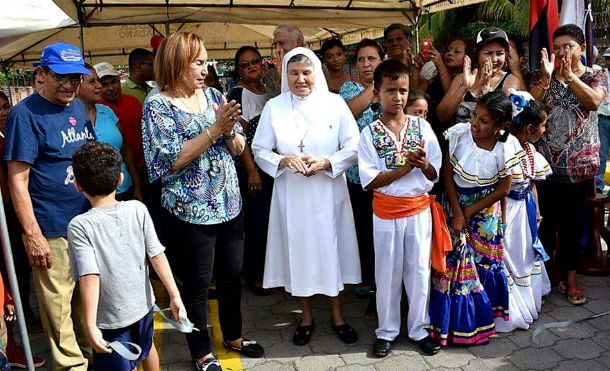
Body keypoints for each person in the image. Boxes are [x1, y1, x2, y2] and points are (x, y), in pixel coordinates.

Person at [141, 32, 263, 371]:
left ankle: (234, 336)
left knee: (231, 275)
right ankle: (201, 352)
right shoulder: (158, 105)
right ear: (177, 64)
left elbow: (238, 148)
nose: (205, 68)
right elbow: (168, 162)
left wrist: (227, 132)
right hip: (189, 211)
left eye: (205, 61)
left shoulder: (212, 94)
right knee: (196, 285)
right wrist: (213, 130)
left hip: (228, 204)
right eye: (197, 62)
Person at [252, 47, 361, 346]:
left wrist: (328, 162)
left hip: (328, 192)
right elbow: (259, 149)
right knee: (298, 252)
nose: (300, 79)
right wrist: (283, 161)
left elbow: (353, 146)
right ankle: (307, 316)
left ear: (316, 73)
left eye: (306, 73)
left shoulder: (335, 104)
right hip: (293, 193)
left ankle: (338, 315)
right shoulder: (274, 107)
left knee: (331, 250)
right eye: (294, 73)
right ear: (285, 75)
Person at [4, 41, 94, 370]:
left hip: (87, 224)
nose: (70, 85)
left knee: (88, 307)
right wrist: (32, 234)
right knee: (59, 317)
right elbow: (17, 180)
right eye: (62, 78)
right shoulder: (24, 115)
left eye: (76, 78)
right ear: (41, 74)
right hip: (52, 230)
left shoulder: (77, 108)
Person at [68, 142, 184, 371]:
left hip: (110, 320)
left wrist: (90, 324)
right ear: (121, 179)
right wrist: (175, 295)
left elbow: (89, 275)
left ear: (77, 186)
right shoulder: (137, 209)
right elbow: (157, 254)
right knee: (147, 347)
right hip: (144, 305)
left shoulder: (79, 226)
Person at [357, 59, 445, 357]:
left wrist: (424, 165)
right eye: (390, 90)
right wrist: (406, 169)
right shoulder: (369, 133)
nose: (398, 97)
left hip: (419, 211)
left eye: (404, 90)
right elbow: (370, 181)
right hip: (385, 213)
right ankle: (386, 331)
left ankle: (420, 330)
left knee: (419, 272)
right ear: (376, 94)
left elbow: (435, 174)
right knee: (387, 274)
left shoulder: (422, 128)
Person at [429, 91, 519, 346]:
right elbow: (447, 175)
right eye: (474, 116)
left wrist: (469, 212)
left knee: (482, 266)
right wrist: (458, 212)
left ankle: (481, 323)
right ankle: (450, 326)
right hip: (454, 205)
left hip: (485, 213)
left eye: (483, 121)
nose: (474, 124)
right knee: (453, 265)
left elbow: (503, 189)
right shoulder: (459, 134)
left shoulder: (507, 147)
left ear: (500, 126)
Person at [530, 24, 605, 305]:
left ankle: (571, 280)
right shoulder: (544, 76)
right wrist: (547, 80)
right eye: (558, 47)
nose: (562, 52)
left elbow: (595, 102)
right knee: (545, 224)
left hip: (578, 167)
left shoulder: (596, 75)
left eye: (568, 46)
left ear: (582, 49)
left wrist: (571, 75)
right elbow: (528, 105)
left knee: (573, 224)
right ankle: (545, 280)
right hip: (546, 165)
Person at [495, 90, 552, 332]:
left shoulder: (531, 152)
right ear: (529, 128)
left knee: (525, 254)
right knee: (509, 255)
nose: (544, 131)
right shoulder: (505, 149)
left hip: (525, 211)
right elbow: (499, 188)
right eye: (543, 126)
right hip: (506, 211)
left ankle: (528, 298)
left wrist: (537, 211)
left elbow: (532, 185)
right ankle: (511, 308)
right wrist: (501, 220)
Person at [338, 38, 384, 321]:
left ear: (382, 60)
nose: (366, 64)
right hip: (358, 177)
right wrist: (373, 88)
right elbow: (348, 113)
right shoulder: (350, 88)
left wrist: (383, 86)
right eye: (361, 60)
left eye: (372, 59)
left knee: (383, 236)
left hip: (390, 177)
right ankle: (370, 284)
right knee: (365, 234)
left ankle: (384, 291)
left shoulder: (392, 85)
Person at [0, 92, 46, 368]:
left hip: (15, 219)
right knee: (8, 280)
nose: (4, 112)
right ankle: (12, 346)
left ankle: (20, 325)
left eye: (6, 107)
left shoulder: (10, 136)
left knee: (18, 273)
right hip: (6, 220)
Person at [226, 46, 272, 296]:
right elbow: (239, 136)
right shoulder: (238, 94)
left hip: (271, 166)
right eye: (245, 64)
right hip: (253, 168)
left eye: (255, 61)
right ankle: (255, 276)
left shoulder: (268, 89)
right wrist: (252, 171)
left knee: (267, 222)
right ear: (238, 70)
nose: (252, 66)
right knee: (257, 223)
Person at [77, 64, 142, 201]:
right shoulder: (68, 119)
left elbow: (125, 149)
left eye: (97, 80)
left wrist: (137, 185)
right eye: (92, 81)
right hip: (91, 197)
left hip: (124, 188)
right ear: (77, 87)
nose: (99, 86)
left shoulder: (106, 111)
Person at [436, 27, 521, 125]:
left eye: (499, 53)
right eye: (488, 53)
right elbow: (442, 116)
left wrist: (486, 90)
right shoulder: (461, 78)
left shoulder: (510, 82)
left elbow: (505, 123)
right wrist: (464, 88)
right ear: (477, 53)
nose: (494, 59)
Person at [94, 62, 146, 180]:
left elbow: (144, 132)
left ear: (119, 80)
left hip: (143, 166)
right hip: (117, 174)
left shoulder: (133, 101)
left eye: (113, 82)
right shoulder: (97, 109)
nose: (111, 88)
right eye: (104, 84)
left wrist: (144, 158)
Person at [266, 25, 304, 99]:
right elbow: (273, 105)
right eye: (275, 45)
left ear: (297, 43)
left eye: (281, 43)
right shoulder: (272, 75)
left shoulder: (316, 68)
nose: (278, 49)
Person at [595, 48, 610, 193]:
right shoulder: (601, 75)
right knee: (602, 153)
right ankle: (599, 184)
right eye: (607, 58)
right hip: (603, 118)